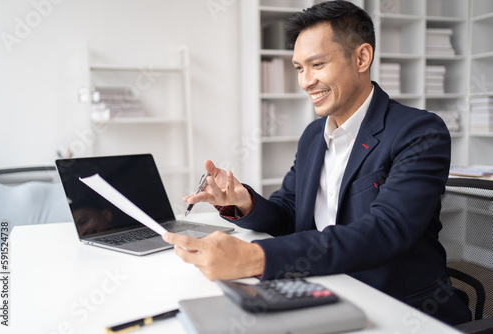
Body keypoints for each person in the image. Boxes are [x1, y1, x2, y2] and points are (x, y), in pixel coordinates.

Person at [162, 0, 471, 326]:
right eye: (299, 68)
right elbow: (288, 213)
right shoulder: (313, 135)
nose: (305, 81)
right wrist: (245, 203)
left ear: (362, 57)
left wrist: (255, 257)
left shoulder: (419, 132)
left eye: (317, 64)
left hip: (398, 308)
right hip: (321, 287)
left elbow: (385, 232)